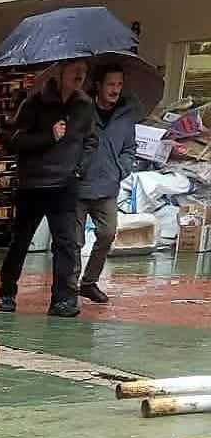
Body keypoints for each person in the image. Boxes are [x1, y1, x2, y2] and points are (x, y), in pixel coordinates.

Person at [0, 59, 95, 316]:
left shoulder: (85, 106)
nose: (80, 75)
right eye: (75, 70)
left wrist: (79, 168)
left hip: (65, 185)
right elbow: (13, 141)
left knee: (66, 244)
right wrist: (48, 136)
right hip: (34, 184)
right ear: (60, 72)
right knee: (20, 241)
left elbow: (91, 140)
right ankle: (7, 291)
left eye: (83, 71)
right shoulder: (34, 103)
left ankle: (62, 299)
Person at [75, 60, 138, 304]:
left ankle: (89, 282)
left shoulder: (126, 114)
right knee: (73, 241)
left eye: (119, 84)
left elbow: (130, 147)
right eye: (111, 84)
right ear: (98, 85)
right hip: (79, 185)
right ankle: (69, 286)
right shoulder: (81, 109)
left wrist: (122, 168)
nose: (115, 89)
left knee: (108, 233)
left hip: (108, 186)